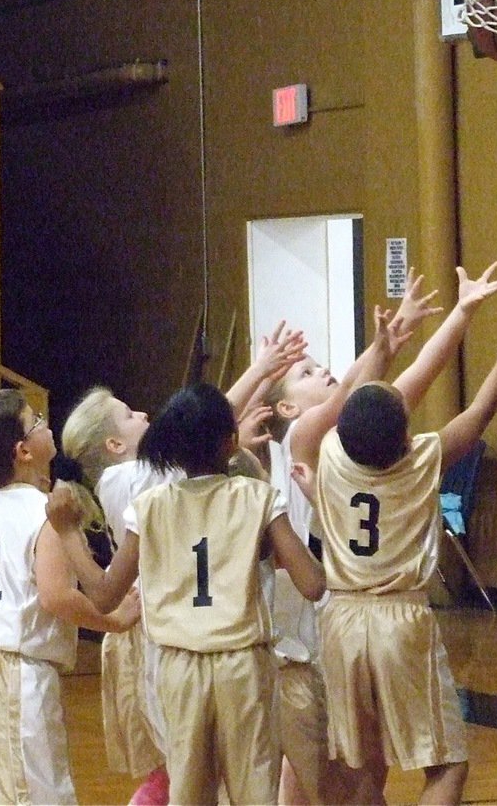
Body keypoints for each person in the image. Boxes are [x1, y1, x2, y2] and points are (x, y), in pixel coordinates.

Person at [297, 266, 497, 806]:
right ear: (407, 436)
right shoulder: (421, 462)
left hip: (339, 621)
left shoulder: (330, 456)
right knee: (447, 767)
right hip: (397, 619)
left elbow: (378, 396)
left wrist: (446, 319)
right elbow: (477, 414)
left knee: (364, 771)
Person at [56, 323, 305, 805]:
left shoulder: (151, 481)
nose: (144, 413)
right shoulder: (127, 480)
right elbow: (197, 434)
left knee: (196, 776)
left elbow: (199, 439)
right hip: (169, 643)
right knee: (194, 777)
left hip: (188, 633)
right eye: (129, 414)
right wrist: (258, 370)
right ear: (113, 445)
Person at [260, 268, 442, 805]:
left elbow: (370, 398)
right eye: (311, 373)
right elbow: (364, 397)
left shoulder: (330, 454)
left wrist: (390, 343)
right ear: (289, 408)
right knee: (350, 782)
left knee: (326, 776)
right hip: (302, 645)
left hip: (321, 638)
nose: (328, 375)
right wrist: (384, 350)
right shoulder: (302, 441)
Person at [0, 388, 140, 806]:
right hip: (11, 667)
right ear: (24, 452)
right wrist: (115, 619)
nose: (45, 423)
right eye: (36, 421)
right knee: (35, 795)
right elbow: (56, 597)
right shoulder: (44, 512)